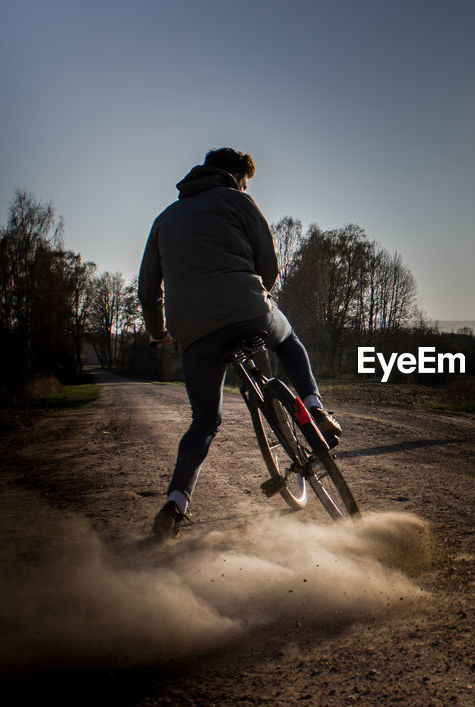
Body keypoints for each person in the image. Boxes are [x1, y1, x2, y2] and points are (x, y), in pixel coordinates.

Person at [139, 147, 341, 540]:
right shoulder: (239, 199)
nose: (246, 186)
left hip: (194, 332)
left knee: (204, 421)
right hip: (249, 310)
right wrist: (254, 294)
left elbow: (148, 291)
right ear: (236, 176)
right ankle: (316, 410)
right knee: (290, 340)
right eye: (246, 180)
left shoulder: (163, 220)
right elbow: (269, 266)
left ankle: (177, 501)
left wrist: (158, 332)